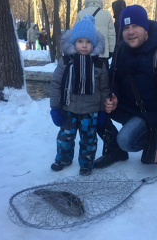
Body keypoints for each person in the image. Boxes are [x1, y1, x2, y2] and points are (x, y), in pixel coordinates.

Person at [94, 5, 157, 170]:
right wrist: (114, 96)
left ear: (146, 28)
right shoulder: (121, 50)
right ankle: (116, 152)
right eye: (126, 27)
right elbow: (112, 79)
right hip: (131, 108)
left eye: (135, 26)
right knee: (94, 107)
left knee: (125, 140)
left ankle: (155, 136)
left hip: (153, 114)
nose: (130, 32)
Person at [50, 15, 110, 176]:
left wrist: (103, 111)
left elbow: (104, 89)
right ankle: (63, 159)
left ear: (94, 43)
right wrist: (55, 108)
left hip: (90, 111)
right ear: (73, 42)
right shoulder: (65, 61)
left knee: (88, 139)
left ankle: (86, 163)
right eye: (80, 41)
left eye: (88, 42)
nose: (84, 46)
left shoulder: (99, 64)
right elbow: (56, 84)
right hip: (68, 108)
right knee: (65, 138)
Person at [76, 0, 116, 69]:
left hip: (85, 52)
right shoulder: (107, 15)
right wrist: (111, 51)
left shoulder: (80, 14)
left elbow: (76, 33)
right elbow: (111, 35)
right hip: (103, 53)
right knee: (103, 76)